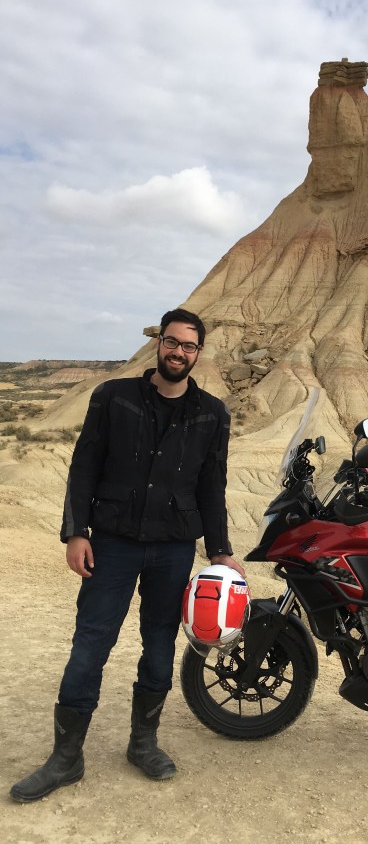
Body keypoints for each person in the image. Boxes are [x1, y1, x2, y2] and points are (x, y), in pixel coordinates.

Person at [10, 308, 242, 803]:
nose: (179, 352)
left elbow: (211, 487)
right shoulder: (113, 397)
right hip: (112, 543)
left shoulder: (212, 414)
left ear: (199, 353)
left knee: (158, 647)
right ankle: (65, 758)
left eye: (189, 346)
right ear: (159, 343)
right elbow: (84, 467)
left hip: (173, 549)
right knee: (90, 645)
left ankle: (143, 744)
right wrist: (77, 532)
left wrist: (220, 550)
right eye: (172, 342)